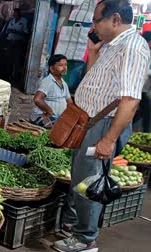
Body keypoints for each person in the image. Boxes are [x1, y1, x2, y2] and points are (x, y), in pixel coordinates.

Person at [54, 1, 150, 251]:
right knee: (80, 177)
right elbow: (97, 80)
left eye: (97, 20)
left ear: (115, 19)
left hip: (104, 126)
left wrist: (108, 139)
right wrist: (93, 50)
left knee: (89, 183)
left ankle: (86, 240)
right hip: (90, 122)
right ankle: (75, 226)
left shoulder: (131, 48)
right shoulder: (112, 46)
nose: (94, 25)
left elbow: (130, 100)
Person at [31, 54, 72, 128]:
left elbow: (69, 102)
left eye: (65, 65)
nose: (64, 68)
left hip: (57, 117)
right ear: (52, 68)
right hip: (42, 116)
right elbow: (37, 99)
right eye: (61, 65)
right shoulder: (48, 81)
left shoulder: (64, 83)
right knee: (54, 129)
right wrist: (49, 111)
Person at [1, 8, 29, 84]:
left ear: (19, 14)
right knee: (9, 60)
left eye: (16, 14)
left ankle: (14, 78)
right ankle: (8, 76)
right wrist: (9, 31)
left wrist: (16, 32)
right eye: (14, 14)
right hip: (10, 42)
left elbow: (26, 33)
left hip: (18, 43)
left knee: (17, 61)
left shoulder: (24, 21)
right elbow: (6, 31)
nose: (15, 15)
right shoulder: (11, 21)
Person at [133, 31, 151, 132]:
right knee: (144, 110)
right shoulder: (142, 51)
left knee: (143, 110)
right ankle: (146, 131)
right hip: (138, 88)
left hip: (141, 89)